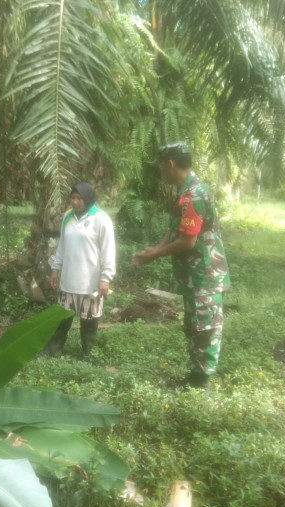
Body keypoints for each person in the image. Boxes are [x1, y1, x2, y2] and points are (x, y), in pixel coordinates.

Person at [132, 141, 230, 389]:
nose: (160, 171)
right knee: (194, 325)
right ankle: (195, 377)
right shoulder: (184, 191)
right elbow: (174, 228)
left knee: (205, 328)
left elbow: (187, 241)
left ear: (170, 164)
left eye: (161, 166)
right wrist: (156, 248)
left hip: (204, 274)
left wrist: (154, 256)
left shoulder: (193, 195)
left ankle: (201, 384)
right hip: (193, 275)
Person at [40, 182, 116, 361]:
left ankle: (87, 353)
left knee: (89, 319)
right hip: (68, 280)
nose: (74, 202)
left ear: (88, 198)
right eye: (72, 197)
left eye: (79, 198)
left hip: (90, 282)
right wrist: (55, 269)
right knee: (63, 317)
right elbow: (62, 246)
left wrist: (105, 278)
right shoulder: (67, 217)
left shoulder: (101, 219)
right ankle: (54, 348)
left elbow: (108, 250)